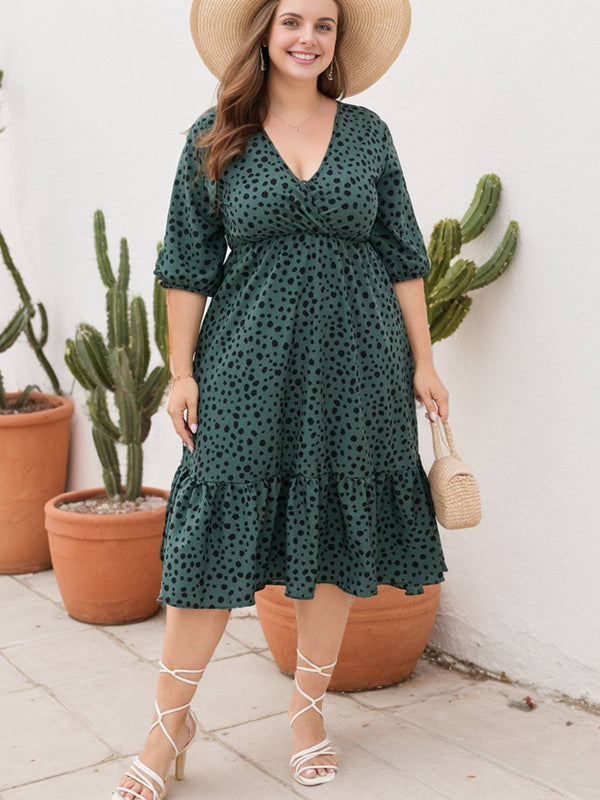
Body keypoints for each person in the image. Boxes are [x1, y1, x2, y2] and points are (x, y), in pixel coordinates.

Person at [113, 0, 449, 797]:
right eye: (293, 21)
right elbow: (186, 263)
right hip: (245, 361)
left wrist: (425, 362)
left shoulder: (367, 134)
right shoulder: (215, 135)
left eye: (324, 25)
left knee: (330, 532)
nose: (308, 38)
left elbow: (403, 251)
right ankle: (167, 724)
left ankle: (307, 712)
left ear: (337, 40)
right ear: (265, 31)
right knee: (208, 536)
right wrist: (182, 371)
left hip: (361, 365)